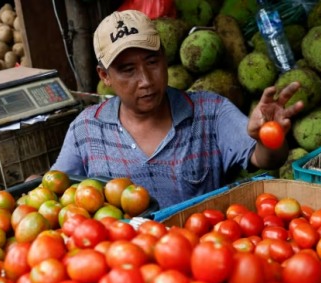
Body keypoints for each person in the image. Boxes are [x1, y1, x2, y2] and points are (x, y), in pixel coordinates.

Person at [51, 9, 304, 208]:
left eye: (152, 62)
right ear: (104, 76)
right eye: (128, 70)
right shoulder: (86, 129)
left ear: (164, 57)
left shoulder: (210, 111)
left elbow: (267, 158)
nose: (146, 80)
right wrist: (36, 186)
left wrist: (270, 136)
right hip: (123, 267)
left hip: (201, 260)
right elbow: (54, 191)